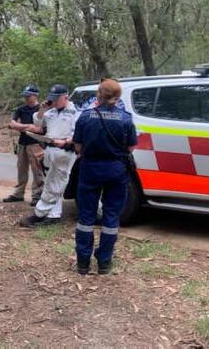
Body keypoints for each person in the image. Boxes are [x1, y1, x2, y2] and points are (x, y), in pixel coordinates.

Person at [72, 79, 137, 275]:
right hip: (116, 170)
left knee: (86, 217)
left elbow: (77, 147)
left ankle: (83, 263)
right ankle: (104, 262)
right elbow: (131, 147)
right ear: (118, 96)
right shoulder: (125, 118)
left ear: (99, 94)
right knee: (111, 216)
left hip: (90, 169)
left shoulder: (85, 117)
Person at [19, 84, 79, 227]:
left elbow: (78, 134)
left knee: (55, 184)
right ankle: (53, 215)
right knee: (51, 182)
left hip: (65, 151)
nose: (54, 102)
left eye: (56, 99)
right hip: (49, 150)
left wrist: (65, 142)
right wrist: (43, 108)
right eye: (51, 99)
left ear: (65, 97)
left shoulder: (75, 112)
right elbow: (38, 122)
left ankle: (40, 213)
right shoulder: (50, 112)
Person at [3, 85, 45, 206]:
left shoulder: (41, 109)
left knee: (37, 170)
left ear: (35, 95)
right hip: (22, 143)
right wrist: (27, 127)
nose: (26, 98)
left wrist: (19, 126)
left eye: (29, 95)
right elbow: (12, 123)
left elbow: (40, 128)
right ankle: (18, 194)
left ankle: (37, 195)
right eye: (25, 95)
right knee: (21, 169)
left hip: (36, 143)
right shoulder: (21, 109)